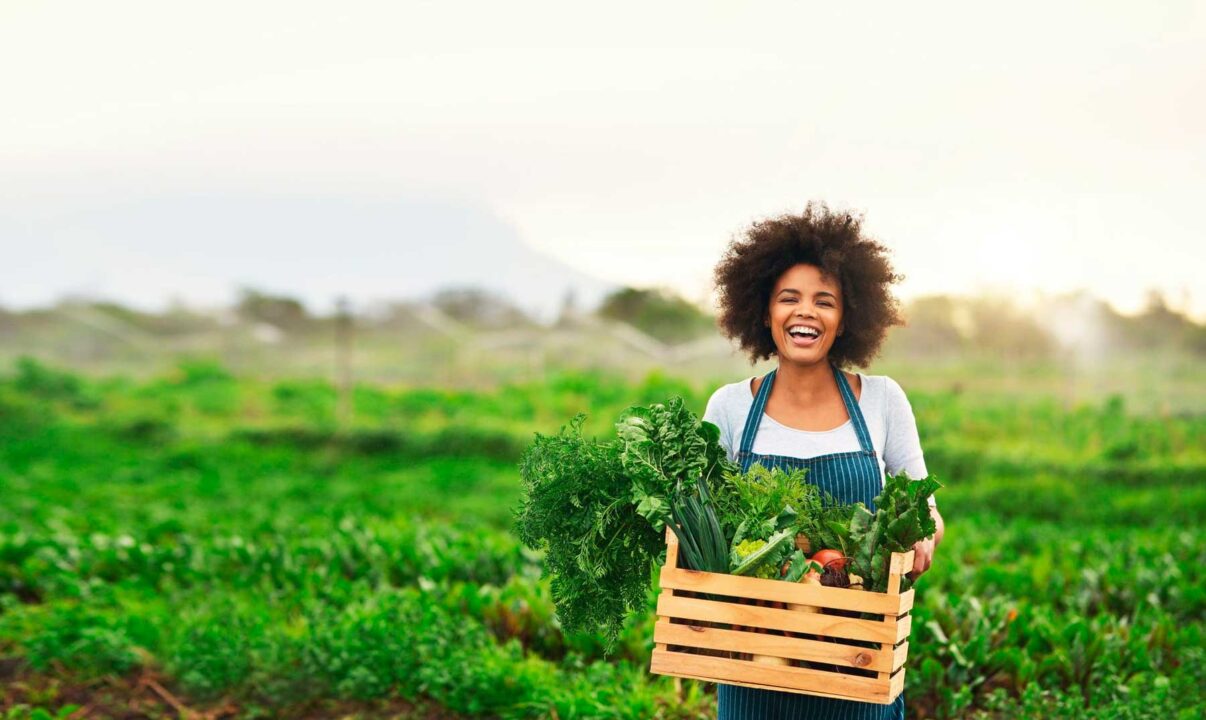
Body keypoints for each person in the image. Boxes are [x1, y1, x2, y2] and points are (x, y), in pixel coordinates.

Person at [703, 203, 944, 720]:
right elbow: (707, 522)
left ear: (847, 316)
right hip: (756, 669)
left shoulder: (881, 399)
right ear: (764, 312)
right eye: (788, 298)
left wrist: (925, 531)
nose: (805, 312)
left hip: (856, 660)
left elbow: (922, 503)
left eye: (824, 301)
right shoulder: (729, 407)